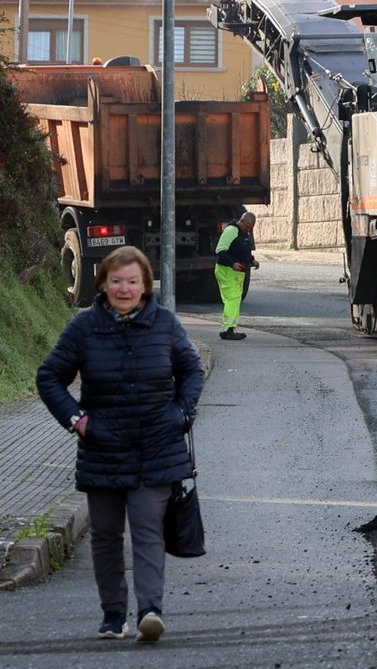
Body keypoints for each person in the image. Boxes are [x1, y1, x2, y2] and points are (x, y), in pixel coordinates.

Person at [36, 246, 204, 643]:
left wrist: (181, 413)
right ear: (103, 284)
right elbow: (49, 377)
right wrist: (77, 420)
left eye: (132, 281)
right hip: (103, 449)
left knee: (148, 532)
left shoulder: (165, 324)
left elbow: (192, 370)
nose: (124, 289)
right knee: (107, 536)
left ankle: (150, 611)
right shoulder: (83, 328)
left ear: (146, 285)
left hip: (156, 448)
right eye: (116, 281)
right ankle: (113, 615)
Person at [214, 211, 259, 340]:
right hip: (227, 271)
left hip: (236, 273)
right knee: (232, 299)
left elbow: (243, 250)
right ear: (242, 220)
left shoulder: (243, 233)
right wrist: (232, 263)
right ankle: (227, 329)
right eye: (247, 226)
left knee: (235, 299)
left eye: (251, 227)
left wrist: (251, 260)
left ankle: (230, 328)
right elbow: (220, 250)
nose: (249, 229)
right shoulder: (231, 231)